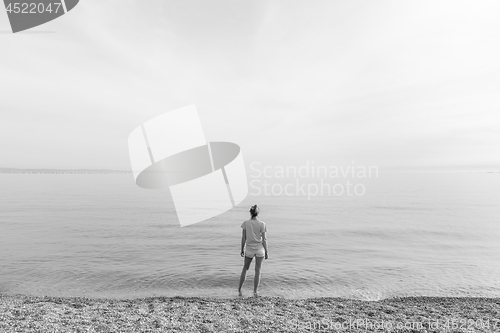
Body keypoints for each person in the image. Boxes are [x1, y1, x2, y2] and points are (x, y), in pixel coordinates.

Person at [238, 204, 268, 297]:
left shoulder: (245, 223)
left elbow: (244, 238)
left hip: (249, 249)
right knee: (258, 270)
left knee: (245, 269)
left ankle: (239, 290)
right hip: (259, 249)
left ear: (250, 213)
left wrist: (242, 249)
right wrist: (266, 251)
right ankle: (255, 292)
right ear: (258, 213)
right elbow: (264, 240)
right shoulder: (262, 224)